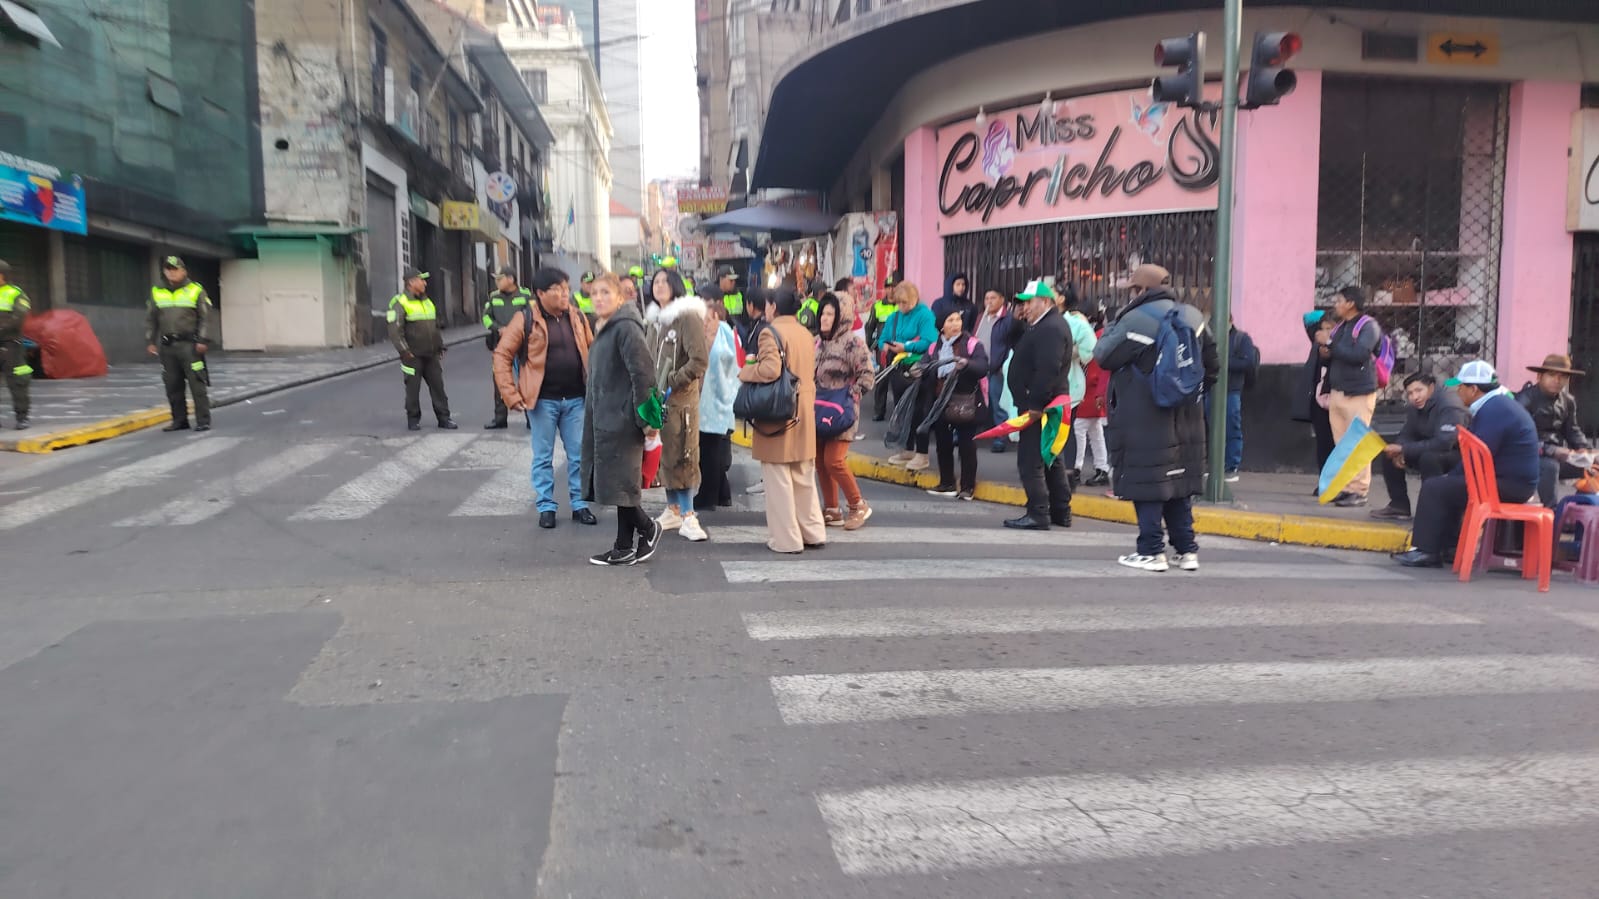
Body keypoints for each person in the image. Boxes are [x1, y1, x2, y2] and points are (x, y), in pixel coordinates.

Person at [1094, 264, 1219, 571]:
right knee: (1177, 483)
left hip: (1143, 416)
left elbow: (1103, 355)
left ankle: (1151, 550)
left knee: (1147, 481)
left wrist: (1114, 322)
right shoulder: (1193, 316)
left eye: (1131, 290)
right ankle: (1187, 550)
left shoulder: (1135, 319)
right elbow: (1212, 365)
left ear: (1141, 291)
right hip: (1187, 416)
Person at [1394, 361, 1540, 568]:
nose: (1458, 390)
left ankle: (1426, 551)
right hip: (1503, 479)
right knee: (1445, 485)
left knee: (1434, 488)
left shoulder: (1495, 410)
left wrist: (1452, 477)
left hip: (1511, 485)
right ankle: (1447, 546)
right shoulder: (1495, 405)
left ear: (1474, 389)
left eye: (1461, 386)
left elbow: (1479, 454)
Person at [493, 266, 597, 530]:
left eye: (566, 288)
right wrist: (510, 393)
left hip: (576, 398)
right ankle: (546, 506)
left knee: (578, 455)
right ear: (540, 293)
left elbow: (592, 350)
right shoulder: (525, 318)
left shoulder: (576, 316)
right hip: (542, 400)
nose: (565, 294)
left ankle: (579, 504)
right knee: (543, 456)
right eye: (558, 289)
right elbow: (502, 355)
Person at [581, 273, 663, 566]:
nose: (599, 298)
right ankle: (623, 546)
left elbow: (643, 375)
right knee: (619, 484)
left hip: (623, 421)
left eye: (606, 292)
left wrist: (648, 420)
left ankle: (648, 527)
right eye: (594, 294)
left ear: (619, 298)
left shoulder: (626, 328)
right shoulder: (605, 327)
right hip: (605, 421)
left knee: (621, 486)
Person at [740, 285, 825, 553]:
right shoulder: (805, 332)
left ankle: (786, 540)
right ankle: (812, 532)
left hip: (780, 412)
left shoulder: (770, 332)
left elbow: (770, 370)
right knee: (803, 475)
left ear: (774, 307)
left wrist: (745, 372)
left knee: (778, 479)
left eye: (768, 304)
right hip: (803, 409)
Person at [1003, 279, 1075, 530]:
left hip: (1041, 405)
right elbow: (1012, 338)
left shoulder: (1051, 327)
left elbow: (1048, 368)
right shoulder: (1041, 325)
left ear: (1045, 302)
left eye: (1029, 302)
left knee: (1031, 460)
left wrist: (1034, 404)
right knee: (1050, 456)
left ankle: (1038, 512)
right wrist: (1017, 315)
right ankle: (1060, 511)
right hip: (1044, 403)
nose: (1026, 308)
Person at [645, 269, 710, 542]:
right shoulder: (654, 320)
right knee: (665, 456)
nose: (659, 286)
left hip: (681, 402)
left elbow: (698, 360)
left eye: (664, 281)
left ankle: (688, 515)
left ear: (675, 286)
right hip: (657, 401)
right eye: (655, 282)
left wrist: (672, 380)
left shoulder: (687, 317)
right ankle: (672, 509)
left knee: (684, 455)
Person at [1370, 372, 1468, 522]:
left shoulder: (1449, 405)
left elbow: (1444, 442)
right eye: (1410, 393)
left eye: (1418, 391)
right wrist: (1400, 449)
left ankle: (1433, 509)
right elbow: (1407, 432)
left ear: (1431, 388)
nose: (1414, 397)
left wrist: (1405, 449)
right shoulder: (1415, 407)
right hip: (1430, 447)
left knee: (1429, 459)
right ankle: (1399, 505)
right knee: (1389, 454)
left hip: (1457, 454)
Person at [814, 293, 875, 527]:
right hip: (820, 408)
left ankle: (857, 504)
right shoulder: (818, 342)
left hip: (842, 410)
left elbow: (867, 375)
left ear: (842, 316)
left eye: (831, 314)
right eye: (823, 313)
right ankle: (831, 509)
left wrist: (852, 393)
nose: (825, 318)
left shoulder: (853, 343)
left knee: (834, 460)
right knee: (820, 461)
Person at [1319, 286, 1382, 507]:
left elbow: (1359, 355)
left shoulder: (1368, 326)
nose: (1336, 304)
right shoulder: (1340, 328)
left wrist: (1331, 346)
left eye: (1339, 300)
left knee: (1357, 443)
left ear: (1351, 303)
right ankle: (1345, 486)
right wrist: (1325, 352)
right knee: (1342, 444)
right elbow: (1333, 357)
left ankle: (1359, 490)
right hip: (1338, 391)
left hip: (1359, 392)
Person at [924, 309, 990, 501]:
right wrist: (918, 370)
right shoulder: (933, 348)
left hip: (965, 402)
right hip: (941, 402)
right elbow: (926, 364)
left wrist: (966, 363)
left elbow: (982, 367)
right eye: (950, 320)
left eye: (958, 319)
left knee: (966, 445)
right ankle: (947, 483)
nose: (955, 324)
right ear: (941, 325)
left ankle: (968, 487)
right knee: (943, 444)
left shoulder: (972, 345)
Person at [146, 255, 216, 432]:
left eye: (175, 269)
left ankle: (203, 420)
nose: (172, 273)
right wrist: (150, 340)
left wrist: (203, 339)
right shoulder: (157, 291)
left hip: (190, 345)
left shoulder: (195, 290)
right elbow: (151, 318)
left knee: (196, 384)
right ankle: (179, 420)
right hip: (167, 346)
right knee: (172, 384)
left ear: (184, 271)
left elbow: (205, 317)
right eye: (168, 269)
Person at [1515, 353, 1592, 508]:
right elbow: (1518, 439)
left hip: (1558, 455)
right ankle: (1552, 512)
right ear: (1539, 376)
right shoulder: (1524, 400)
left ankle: (1580, 511)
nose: (1557, 381)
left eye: (1562, 377)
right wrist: (1551, 450)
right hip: (1527, 457)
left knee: (1592, 465)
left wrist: (1585, 449)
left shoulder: (1568, 401)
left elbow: (1572, 430)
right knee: (1550, 466)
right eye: (1551, 375)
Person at [878, 281, 938, 471]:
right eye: (900, 303)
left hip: (918, 368)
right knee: (901, 411)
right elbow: (881, 338)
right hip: (898, 367)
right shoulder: (894, 317)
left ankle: (922, 453)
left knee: (919, 411)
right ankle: (906, 448)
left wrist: (907, 347)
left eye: (906, 303)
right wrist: (885, 346)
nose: (903, 307)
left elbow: (930, 341)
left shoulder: (924, 314)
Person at [387, 270, 456, 431]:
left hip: (431, 354)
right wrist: (405, 351)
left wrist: (440, 346)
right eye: (421, 280)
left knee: (438, 387)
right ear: (411, 282)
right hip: (412, 355)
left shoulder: (427, 301)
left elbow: (434, 328)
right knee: (413, 388)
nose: (425, 283)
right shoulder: (399, 302)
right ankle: (413, 419)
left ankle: (444, 418)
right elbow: (395, 331)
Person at [695, 302, 741, 512]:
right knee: (713, 449)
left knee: (710, 451)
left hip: (715, 403)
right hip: (717, 403)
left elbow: (718, 367)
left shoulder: (721, 338)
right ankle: (723, 493)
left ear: (717, 318)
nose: (704, 324)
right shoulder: (727, 336)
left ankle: (708, 496)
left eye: (708, 319)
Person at [482, 266, 530, 430]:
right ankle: (500, 418)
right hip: (501, 344)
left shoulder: (525, 295)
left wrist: (519, 330)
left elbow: (532, 315)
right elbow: (486, 318)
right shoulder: (493, 297)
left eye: (500, 278)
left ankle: (531, 417)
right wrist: (498, 328)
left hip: (523, 345)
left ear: (511, 279)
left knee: (526, 380)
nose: (497, 282)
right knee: (500, 381)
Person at [1059, 287, 1099, 482]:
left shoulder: (1077, 322)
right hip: (1054, 383)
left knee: (1072, 429)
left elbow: (1088, 352)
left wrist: (1070, 351)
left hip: (1071, 383)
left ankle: (1071, 470)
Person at [973, 288, 1014, 453]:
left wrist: (1003, 365)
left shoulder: (1007, 319)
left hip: (996, 369)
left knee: (999, 405)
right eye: (986, 298)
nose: (989, 301)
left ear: (1002, 299)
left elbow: (1009, 344)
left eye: (993, 298)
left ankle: (1000, 438)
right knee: (976, 402)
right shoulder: (980, 318)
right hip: (979, 366)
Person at [1223, 319, 1260, 481]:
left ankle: (1231, 466)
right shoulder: (1211, 336)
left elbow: (1247, 362)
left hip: (1232, 390)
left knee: (1232, 427)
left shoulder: (1241, 338)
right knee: (1213, 427)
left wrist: (1223, 362)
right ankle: (1217, 465)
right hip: (1212, 389)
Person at [1076, 310, 1110, 485]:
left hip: (1088, 391)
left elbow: (1094, 369)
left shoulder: (1094, 339)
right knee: (1095, 432)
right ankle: (1101, 467)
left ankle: (1077, 467)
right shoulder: (1099, 336)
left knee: (1079, 429)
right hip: (1093, 391)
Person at [0, 260, 32, 429]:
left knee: (17, 381)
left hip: (11, 344)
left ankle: (22, 417)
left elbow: (18, 317)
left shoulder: (16, 293)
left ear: (2, 275)